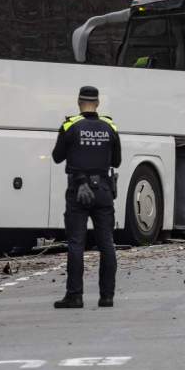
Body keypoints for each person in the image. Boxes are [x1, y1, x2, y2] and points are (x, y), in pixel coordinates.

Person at [51, 85, 121, 309]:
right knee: (106, 244)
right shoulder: (110, 127)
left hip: (78, 190)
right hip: (103, 190)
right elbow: (117, 161)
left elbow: (56, 157)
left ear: (79, 103)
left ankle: (75, 295)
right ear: (98, 104)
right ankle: (107, 296)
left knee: (76, 243)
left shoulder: (70, 125)